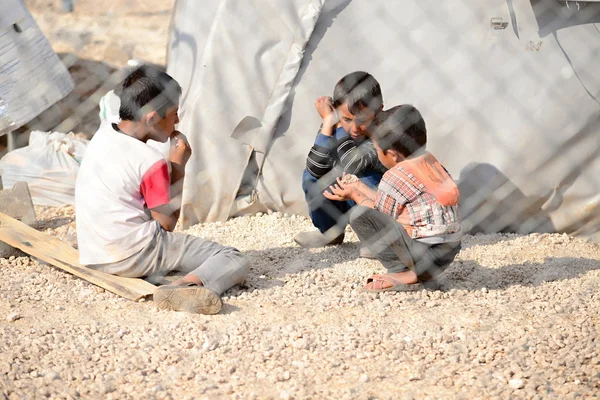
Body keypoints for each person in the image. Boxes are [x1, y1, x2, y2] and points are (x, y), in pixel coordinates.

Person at [75, 65, 249, 314]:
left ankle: (166, 276)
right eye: (174, 114)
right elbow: (167, 223)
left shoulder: (105, 130)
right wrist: (178, 166)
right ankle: (182, 287)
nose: (177, 121)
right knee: (233, 258)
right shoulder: (149, 160)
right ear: (153, 118)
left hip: (94, 251)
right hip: (133, 254)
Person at [324, 105, 462, 292]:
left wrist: (355, 195)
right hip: (449, 250)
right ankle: (416, 273)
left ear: (392, 154)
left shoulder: (395, 176)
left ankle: (402, 272)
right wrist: (359, 186)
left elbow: (379, 210)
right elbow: (390, 202)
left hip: (423, 253)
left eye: (377, 149)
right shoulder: (431, 163)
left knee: (359, 214)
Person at [294, 71, 387, 249]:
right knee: (311, 177)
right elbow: (314, 169)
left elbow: (354, 165)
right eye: (347, 119)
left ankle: (379, 240)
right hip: (342, 196)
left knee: (363, 176)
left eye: (362, 120)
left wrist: (339, 126)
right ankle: (330, 232)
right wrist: (329, 122)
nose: (355, 128)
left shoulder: (383, 132)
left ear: (379, 110)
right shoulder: (334, 125)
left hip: (374, 201)